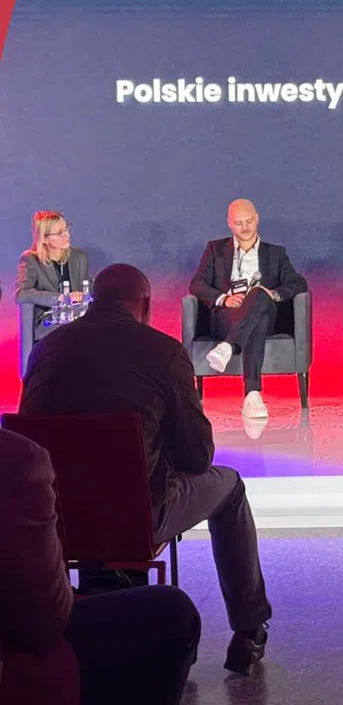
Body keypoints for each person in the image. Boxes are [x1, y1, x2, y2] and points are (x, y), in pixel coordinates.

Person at [19, 263, 272, 676]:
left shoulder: (46, 350)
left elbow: (29, 444)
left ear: (94, 299)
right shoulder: (163, 352)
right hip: (137, 518)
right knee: (229, 486)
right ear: (147, 304)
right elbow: (197, 457)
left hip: (55, 519)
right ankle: (249, 631)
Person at [0, 425, 200, 704]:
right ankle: (249, 630)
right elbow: (43, 622)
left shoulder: (35, 400)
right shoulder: (18, 461)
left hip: (75, 523)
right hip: (19, 667)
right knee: (173, 612)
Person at [190, 198, 308, 419]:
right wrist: (224, 299)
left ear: (257, 219)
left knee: (258, 295)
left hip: (266, 312)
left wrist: (271, 294)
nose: (245, 228)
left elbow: (298, 283)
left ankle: (228, 347)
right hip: (227, 317)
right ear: (229, 223)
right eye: (238, 223)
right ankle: (252, 394)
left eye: (249, 221)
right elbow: (197, 284)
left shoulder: (275, 253)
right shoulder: (215, 249)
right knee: (258, 321)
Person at [15, 212, 90, 341]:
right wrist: (61, 298)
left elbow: (87, 285)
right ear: (44, 239)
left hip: (77, 316)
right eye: (60, 232)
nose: (67, 235)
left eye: (67, 229)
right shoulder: (31, 260)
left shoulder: (79, 257)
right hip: (49, 321)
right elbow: (21, 293)